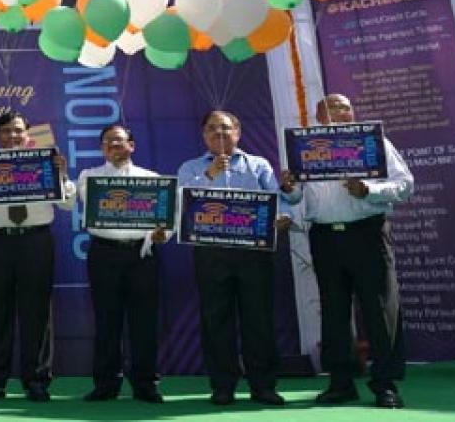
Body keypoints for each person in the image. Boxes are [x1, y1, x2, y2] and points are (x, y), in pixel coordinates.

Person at [280, 94, 413, 409]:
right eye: (330, 107)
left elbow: (405, 184)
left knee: (380, 309)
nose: (338, 111)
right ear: (318, 115)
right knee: (334, 311)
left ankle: (385, 385)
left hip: (367, 233)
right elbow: (298, 197)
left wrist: (369, 189)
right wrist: (289, 187)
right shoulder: (304, 148)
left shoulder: (375, 142)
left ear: (353, 112)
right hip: (325, 237)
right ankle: (340, 382)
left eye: (343, 106)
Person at [0, 112, 76, 403]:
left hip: (36, 240)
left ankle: (36, 380)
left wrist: (62, 175)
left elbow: (69, 204)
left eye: (17, 131)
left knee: (37, 312)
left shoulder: (45, 162)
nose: (12, 136)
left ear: (27, 133)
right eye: (6, 131)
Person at [176, 110, 285, 406]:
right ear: (203, 135)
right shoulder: (189, 168)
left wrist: (281, 218)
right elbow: (179, 207)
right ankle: (222, 385)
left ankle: (263, 385)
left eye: (225, 128)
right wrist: (209, 175)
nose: (219, 134)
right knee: (216, 320)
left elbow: (277, 200)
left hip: (254, 253)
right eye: (212, 129)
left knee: (258, 319)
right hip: (211, 254)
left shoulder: (258, 165)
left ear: (238, 132)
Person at [76, 124, 168, 403]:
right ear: (102, 148)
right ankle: (106, 384)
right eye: (108, 143)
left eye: (119, 142)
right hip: (104, 254)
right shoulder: (89, 177)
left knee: (145, 322)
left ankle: (145, 383)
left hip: (142, 254)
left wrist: (163, 233)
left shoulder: (152, 179)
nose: (114, 147)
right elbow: (87, 201)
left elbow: (167, 219)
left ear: (132, 145)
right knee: (107, 321)